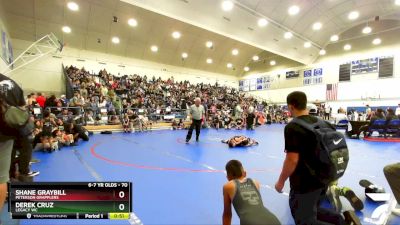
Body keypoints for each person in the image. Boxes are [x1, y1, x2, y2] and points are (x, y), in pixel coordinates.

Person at [275, 91, 347, 225]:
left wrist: (280, 182)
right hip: (325, 177)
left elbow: (292, 159)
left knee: (303, 220)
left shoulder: (293, 127)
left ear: (291, 107)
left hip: (305, 182)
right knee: (313, 208)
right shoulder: (324, 123)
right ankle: (339, 220)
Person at [0, 73, 28, 215]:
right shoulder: (12, 83)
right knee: (1, 178)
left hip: (5, 135)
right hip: (5, 135)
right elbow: (23, 110)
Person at [222, 160, 280, 225]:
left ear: (228, 177)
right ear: (245, 173)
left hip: (250, 221)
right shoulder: (255, 182)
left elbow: (227, 214)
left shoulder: (228, 186)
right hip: (272, 219)